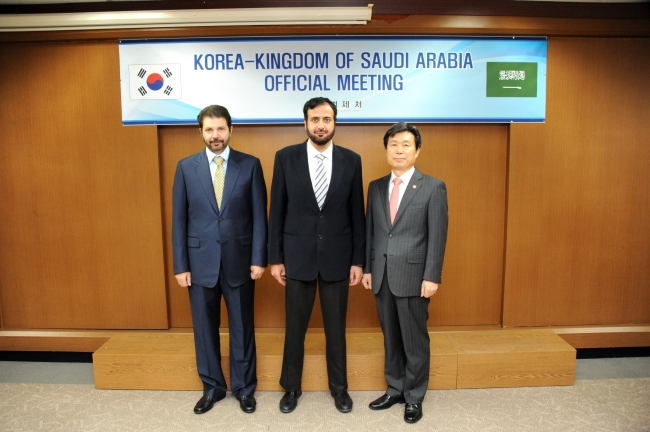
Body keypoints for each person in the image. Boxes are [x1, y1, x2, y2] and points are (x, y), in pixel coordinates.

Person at [268, 97, 365, 414]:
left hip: (338, 257)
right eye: (314, 119)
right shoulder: (285, 158)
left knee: (336, 329)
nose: (320, 125)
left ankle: (340, 389)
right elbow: (277, 211)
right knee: (295, 328)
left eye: (326, 119)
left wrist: (357, 261)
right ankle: (291, 387)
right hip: (297, 257)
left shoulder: (352, 160)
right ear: (305, 123)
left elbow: (356, 215)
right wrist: (275, 258)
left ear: (335, 122)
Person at [171, 105, 267, 415]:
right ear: (200, 132)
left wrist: (258, 259)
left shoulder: (250, 165)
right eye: (210, 129)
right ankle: (212, 387)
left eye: (221, 129)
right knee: (204, 328)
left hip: (240, 262)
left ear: (230, 130)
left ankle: (243, 387)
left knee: (242, 327)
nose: (216, 135)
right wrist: (180, 265)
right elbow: (179, 221)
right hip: (199, 264)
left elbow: (259, 218)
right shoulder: (186, 168)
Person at [361, 122, 448, 424]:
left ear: (417, 150)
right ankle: (395, 387)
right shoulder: (374, 187)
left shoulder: (433, 187)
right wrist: (368, 268)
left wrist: (432, 276)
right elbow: (371, 231)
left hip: (414, 277)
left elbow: (437, 235)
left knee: (414, 339)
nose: (399, 150)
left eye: (406, 144)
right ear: (386, 149)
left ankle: (414, 396)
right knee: (390, 337)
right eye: (393, 144)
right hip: (382, 274)